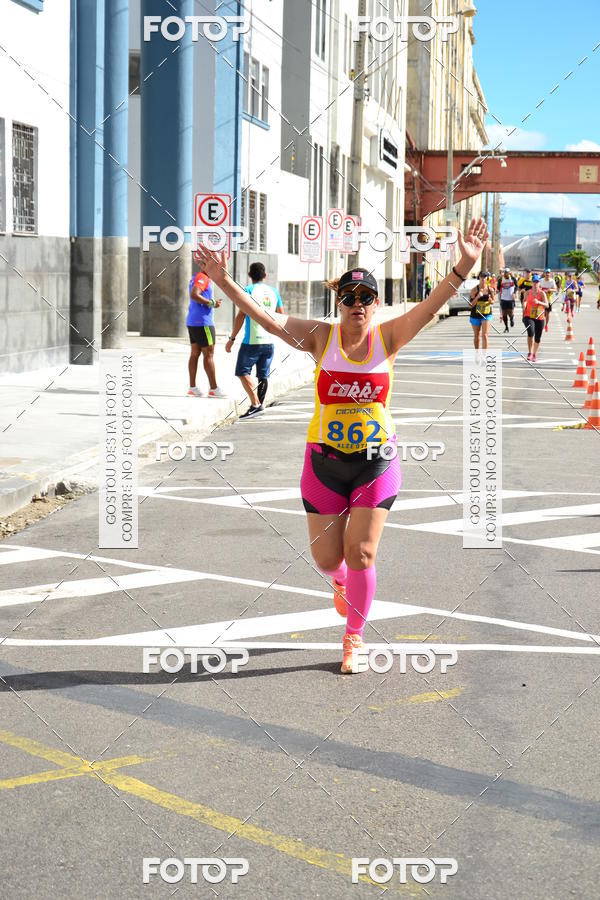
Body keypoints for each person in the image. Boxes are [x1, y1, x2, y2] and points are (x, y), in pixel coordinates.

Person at [196, 219, 489, 673]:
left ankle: (354, 638)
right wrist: (223, 280)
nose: (357, 304)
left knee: (363, 554)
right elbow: (268, 320)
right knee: (328, 558)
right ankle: (340, 582)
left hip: (377, 462)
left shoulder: (388, 337)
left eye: (366, 297)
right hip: (324, 464)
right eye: (349, 298)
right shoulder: (320, 337)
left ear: (375, 303)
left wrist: (463, 268)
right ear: (340, 302)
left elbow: (433, 304)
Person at [226, 262, 284, 419]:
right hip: (269, 341)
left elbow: (240, 315)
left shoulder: (248, 291)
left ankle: (256, 405)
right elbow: (281, 315)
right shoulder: (274, 292)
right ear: (265, 275)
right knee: (263, 375)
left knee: (242, 372)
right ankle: (259, 406)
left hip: (251, 341)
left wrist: (232, 338)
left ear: (250, 275)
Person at [186, 270, 227, 398]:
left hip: (193, 321)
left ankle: (192, 388)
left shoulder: (194, 277)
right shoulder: (203, 277)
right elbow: (194, 294)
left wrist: (211, 302)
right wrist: (211, 303)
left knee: (195, 353)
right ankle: (214, 389)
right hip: (203, 323)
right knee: (208, 354)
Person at [523, 274, 549, 362]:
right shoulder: (528, 292)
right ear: (531, 283)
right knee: (531, 332)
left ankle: (534, 354)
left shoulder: (542, 293)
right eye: (534, 282)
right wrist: (524, 305)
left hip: (540, 317)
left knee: (538, 337)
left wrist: (539, 302)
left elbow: (547, 305)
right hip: (529, 316)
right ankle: (530, 353)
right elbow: (524, 301)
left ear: (539, 283)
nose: (535, 284)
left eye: (537, 282)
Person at [469, 271, 495, 350]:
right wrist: (477, 297)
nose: (483, 279)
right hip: (475, 314)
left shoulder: (490, 290)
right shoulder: (474, 290)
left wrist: (491, 301)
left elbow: (493, 301)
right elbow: (471, 305)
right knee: (477, 336)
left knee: (485, 335)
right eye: (481, 277)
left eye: (485, 277)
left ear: (487, 278)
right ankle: (477, 353)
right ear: (479, 278)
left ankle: (484, 356)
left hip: (486, 314)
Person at [497, 267, 518, 332]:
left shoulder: (512, 278)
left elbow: (517, 286)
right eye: (505, 272)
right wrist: (499, 283)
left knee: (511, 312)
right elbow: (498, 287)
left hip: (511, 298)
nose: (506, 274)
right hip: (503, 298)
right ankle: (506, 327)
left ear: (509, 273)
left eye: (507, 272)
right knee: (504, 314)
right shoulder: (501, 279)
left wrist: (514, 293)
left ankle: (511, 319)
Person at [539, 268, 556, 333]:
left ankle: (546, 325)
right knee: (542, 313)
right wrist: (541, 290)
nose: (547, 274)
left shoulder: (552, 281)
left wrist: (550, 290)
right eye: (546, 273)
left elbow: (555, 289)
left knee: (547, 313)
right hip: (541, 299)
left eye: (548, 273)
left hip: (548, 300)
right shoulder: (541, 280)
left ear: (550, 274)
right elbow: (538, 287)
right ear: (544, 274)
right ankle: (542, 325)